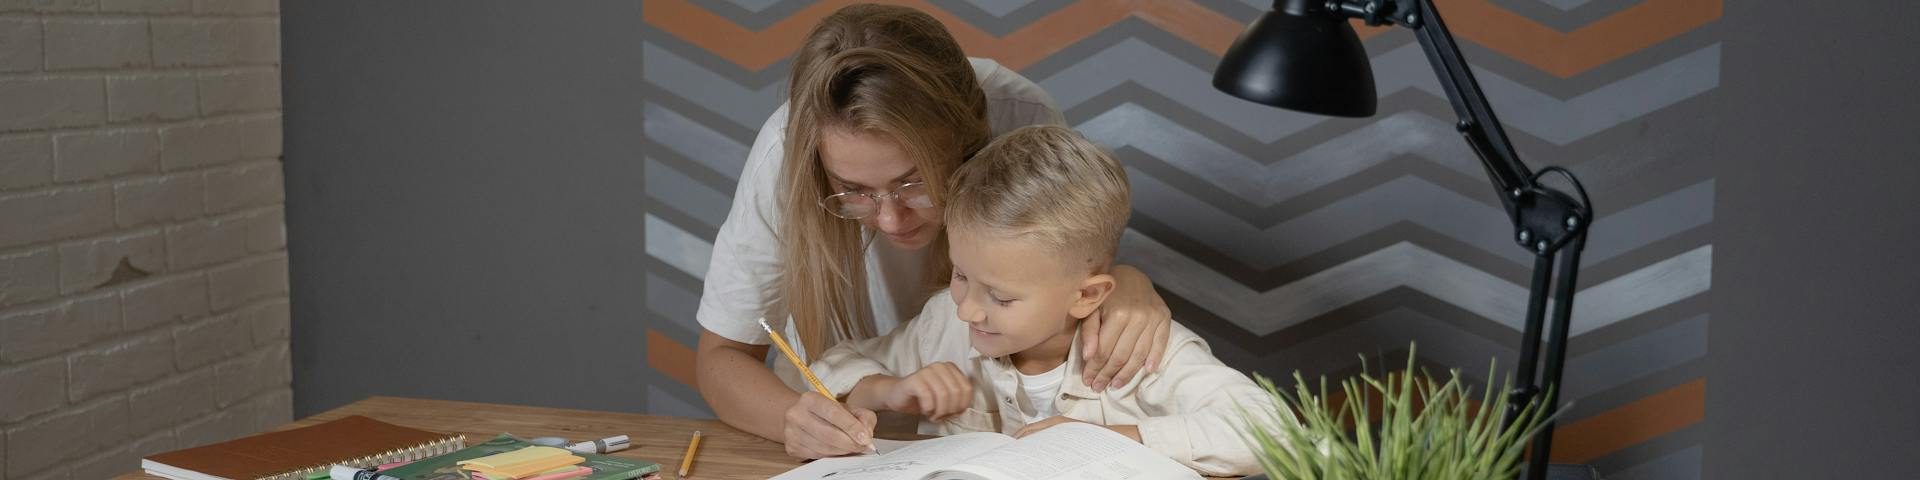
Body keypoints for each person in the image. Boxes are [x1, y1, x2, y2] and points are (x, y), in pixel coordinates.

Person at [691, 4, 1176, 460]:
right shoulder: (787, 152)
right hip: (849, 432)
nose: (890, 220)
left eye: (914, 182)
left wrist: (1123, 279)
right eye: (852, 190)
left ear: (968, 143)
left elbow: (1062, 262)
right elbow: (723, 356)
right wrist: (791, 419)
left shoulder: (1019, 118)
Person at [809, 125, 1270, 476]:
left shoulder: (1142, 352)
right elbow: (817, 368)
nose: (967, 308)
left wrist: (1105, 439)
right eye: (960, 275)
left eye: (1001, 297)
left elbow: (1273, 431)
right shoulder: (944, 324)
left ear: (1086, 296)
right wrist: (889, 391)